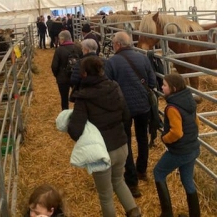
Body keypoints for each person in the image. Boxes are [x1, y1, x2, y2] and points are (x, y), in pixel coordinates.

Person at [67, 55, 141, 217]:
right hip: (121, 146)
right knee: (119, 181)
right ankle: (135, 213)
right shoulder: (114, 86)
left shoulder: (84, 97)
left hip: (101, 151)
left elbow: (75, 130)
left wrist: (69, 119)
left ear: (84, 74)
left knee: (106, 195)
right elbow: (126, 116)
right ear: (101, 70)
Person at [105, 31, 156, 198]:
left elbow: (108, 87)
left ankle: (132, 182)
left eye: (113, 44)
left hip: (123, 108)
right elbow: (152, 82)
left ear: (118, 45)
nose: (113, 47)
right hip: (143, 106)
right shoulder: (142, 58)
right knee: (142, 137)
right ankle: (142, 170)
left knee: (125, 141)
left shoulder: (111, 62)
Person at [154, 73, 200, 217]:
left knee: (158, 172)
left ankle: (167, 213)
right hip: (193, 148)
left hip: (180, 151)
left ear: (173, 88)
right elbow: (196, 123)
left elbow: (177, 133)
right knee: (187, 180)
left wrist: (165, 139)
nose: (162, 87)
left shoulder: (172, 107)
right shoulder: (189, 100)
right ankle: (195, 214)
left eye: (165, 85)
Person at [51, 30, 82, 110]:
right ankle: (78, 113)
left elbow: (54, 66)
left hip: (62, 78)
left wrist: (57, 75)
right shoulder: (77, 48)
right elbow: (82, 61)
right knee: (78, 98)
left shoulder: (59, 50)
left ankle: (65, 117)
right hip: (76, 77)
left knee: (64, 99)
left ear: (62, 39)